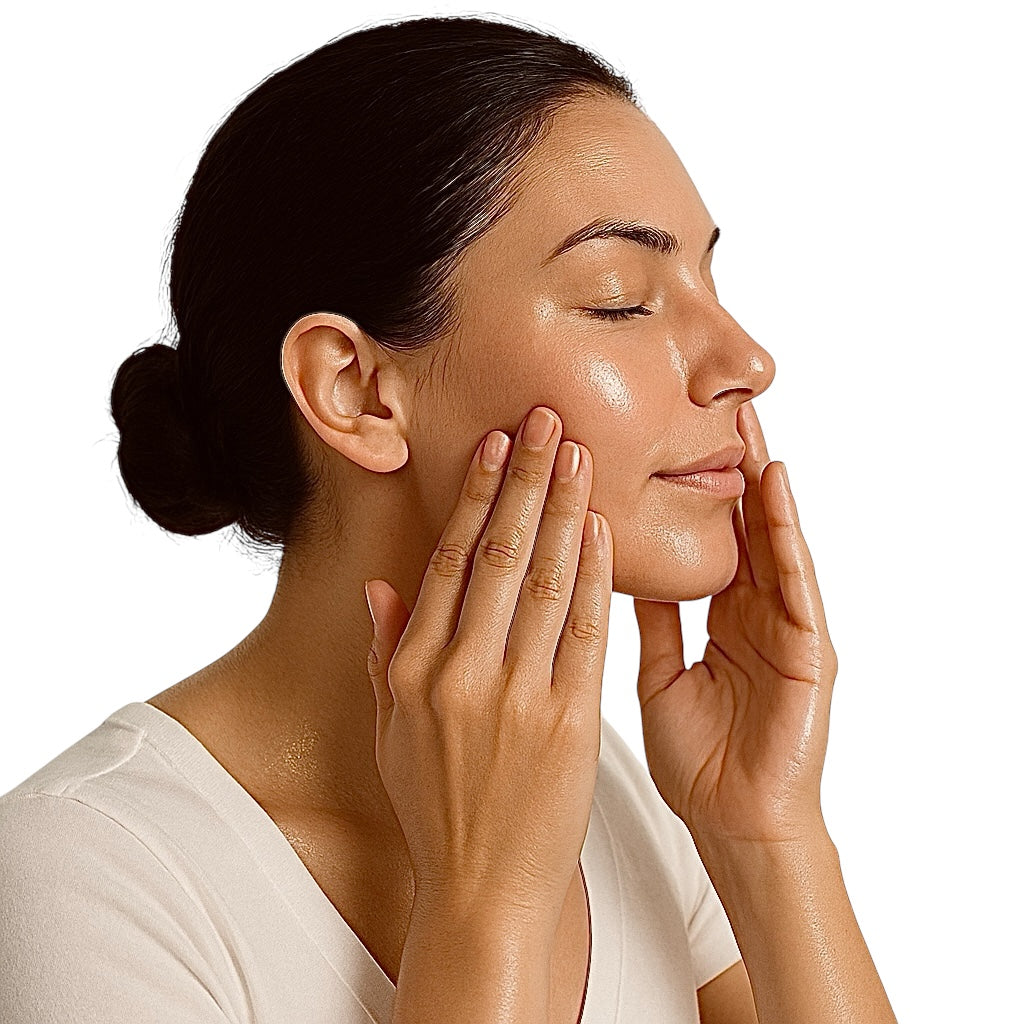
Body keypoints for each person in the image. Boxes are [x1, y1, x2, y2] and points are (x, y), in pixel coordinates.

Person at [0, 14, 897, 1024]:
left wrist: (767, 836)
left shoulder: (612, 793)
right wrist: (486, 904)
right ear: (355, 390)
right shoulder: (82, 878)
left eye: (709, 281)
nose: (746, 360)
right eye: (620, 300)